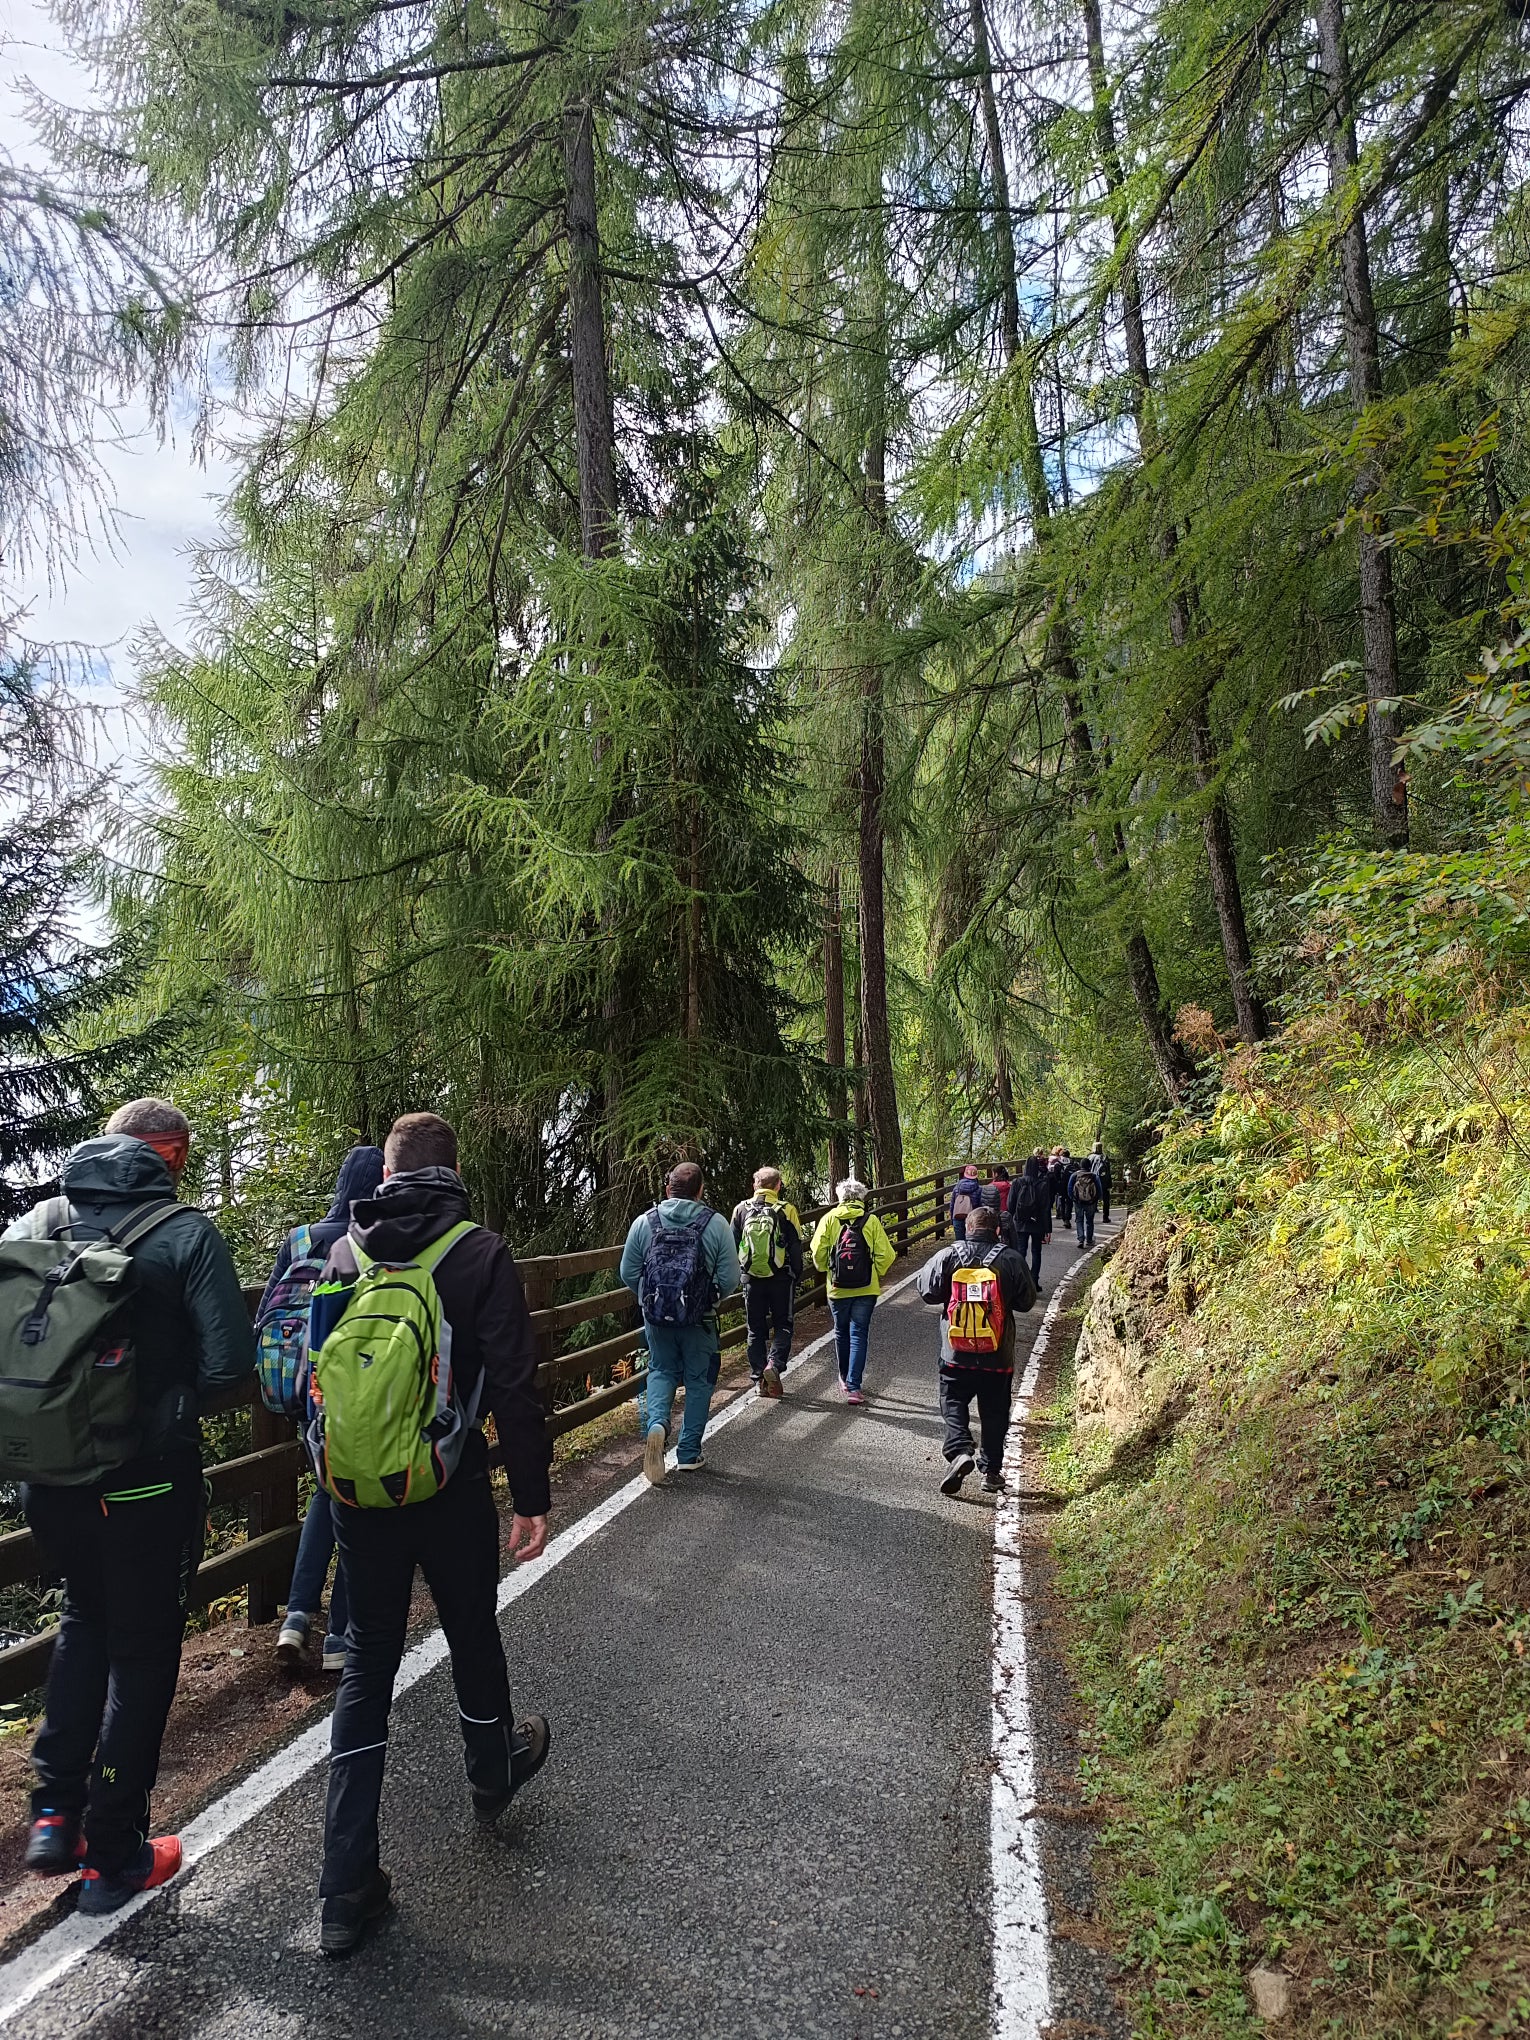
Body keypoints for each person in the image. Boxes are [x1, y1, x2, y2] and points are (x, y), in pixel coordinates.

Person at [4, 1100, 253, 1914]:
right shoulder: (186, 1235)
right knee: (144, 1654)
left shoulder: (39, 1219)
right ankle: (116, 1852)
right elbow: (227, 1368)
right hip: (143, 1482)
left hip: (49, 1479)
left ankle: (54, 1817)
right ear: (171, 1154)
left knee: (84, 1619)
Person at [312, 1112, 552, 1956]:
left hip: (358, 1495)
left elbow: (316, 1381)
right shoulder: (478, 1252)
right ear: (451, 1170)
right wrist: (531, 1496)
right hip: (447, 1485)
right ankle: (492, 1773)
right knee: (470, 1627)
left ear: (387, 1171)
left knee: (369, 1662)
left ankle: (345, 1883)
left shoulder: (346, 1252)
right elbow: (516, 1382)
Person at [260, 1145, 386, 1674]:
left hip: (303, 1390)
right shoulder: (371, 1241)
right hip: (350, 1390)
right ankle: (338, 1636)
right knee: (349, 1499)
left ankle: (295, 1617)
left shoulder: (300, 1239)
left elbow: (266, 1310)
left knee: (322, 1494)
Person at [621, 1162, 742, 1482]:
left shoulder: (644, 1223)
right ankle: (688, 1453)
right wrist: (708, 1300)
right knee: (699, 1380)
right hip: (699, 1319)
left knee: (660, 1370)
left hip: (657, 1320)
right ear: (700, 1191)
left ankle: (657, 1426)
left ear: (667, 1190)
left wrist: (652, 1299)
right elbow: (731, 1277)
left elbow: (627, 1272)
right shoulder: (715, 1224)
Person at [916, 1205, 1036, 1496]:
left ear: (968, 1228)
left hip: (955, 1352)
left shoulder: (948, 1255)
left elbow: (927, 1291)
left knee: (953, 1401)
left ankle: (959, 1451)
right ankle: (992, 1472)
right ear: (997, 1231)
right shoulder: (1010, 1258)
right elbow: (1026, 1302)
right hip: (997, 1353)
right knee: (995, 1411)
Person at [810, 1178, 896, 1406]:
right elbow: (886, 1255)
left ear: (840, 1197)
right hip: (866, 1288)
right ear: (861, 1198)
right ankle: (854, 1387)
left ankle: (844, 1379)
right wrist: (875, 1272)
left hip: (837, 1288)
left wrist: (827, 1269)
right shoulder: (871, 1220)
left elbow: (817, 1253)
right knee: (859, 1333)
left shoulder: (829, 1219)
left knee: (841, 1332)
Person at [731, 1167, 804, 1399]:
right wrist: (796, 1275)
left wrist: (739, 1275)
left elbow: (732, 1245)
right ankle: (774, 1363)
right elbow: (795, 1247)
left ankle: (759, 1380)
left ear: (755, 1185)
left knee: (755, 1329)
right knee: (783, 1324)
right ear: (778, 1185)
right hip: (781, 1278)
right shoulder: (787, 1210)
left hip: (751, 1279)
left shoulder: (741, 1209)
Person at [1005, 1153, 1052, 1292]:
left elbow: (1010, 1205)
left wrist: (1011, 1221)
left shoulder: (1017, 1183)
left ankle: (1021, 1282)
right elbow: (1046, 1209)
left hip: (1020, 1223)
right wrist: (1047, 1229)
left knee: (1020, 1253)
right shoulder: (1043, 1184)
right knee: (1036, 1252)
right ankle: (1034, 1281)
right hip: (1037, 1224)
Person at [1068, 1153, 1100, 1246]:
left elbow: (1069, 1188)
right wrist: (1095, 1200)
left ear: (1080, 1165)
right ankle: (1089, 1240)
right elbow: (1099, 1190)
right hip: (1091, 1202)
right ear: (1089, 1166)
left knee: (1079, 1219)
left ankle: (1081, 1239)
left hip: (1078, 1201)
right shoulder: (1094, 1176)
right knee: (1089, 1220)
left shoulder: (1075, 1175)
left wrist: (1073, 1198)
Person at [949, 1164, 983, 1242]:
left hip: (958, 1217)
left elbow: (952, 1205)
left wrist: (952, 1219)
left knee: (960, 1243)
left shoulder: (957, 1188)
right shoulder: (979, 1189)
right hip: (972, 1218)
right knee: (972, 1243)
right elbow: (981, 1205)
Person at [1091, 1141, 1113, 1223]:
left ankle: (1091, 1217)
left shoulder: (1090, 1157)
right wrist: (1109, 1184)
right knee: (1106, 1200)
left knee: (1092, 1198)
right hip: (1103, 1183)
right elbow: (1108, 1171)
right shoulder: (1104, 1157)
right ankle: (1105, 1217)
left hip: (1092, 1181)